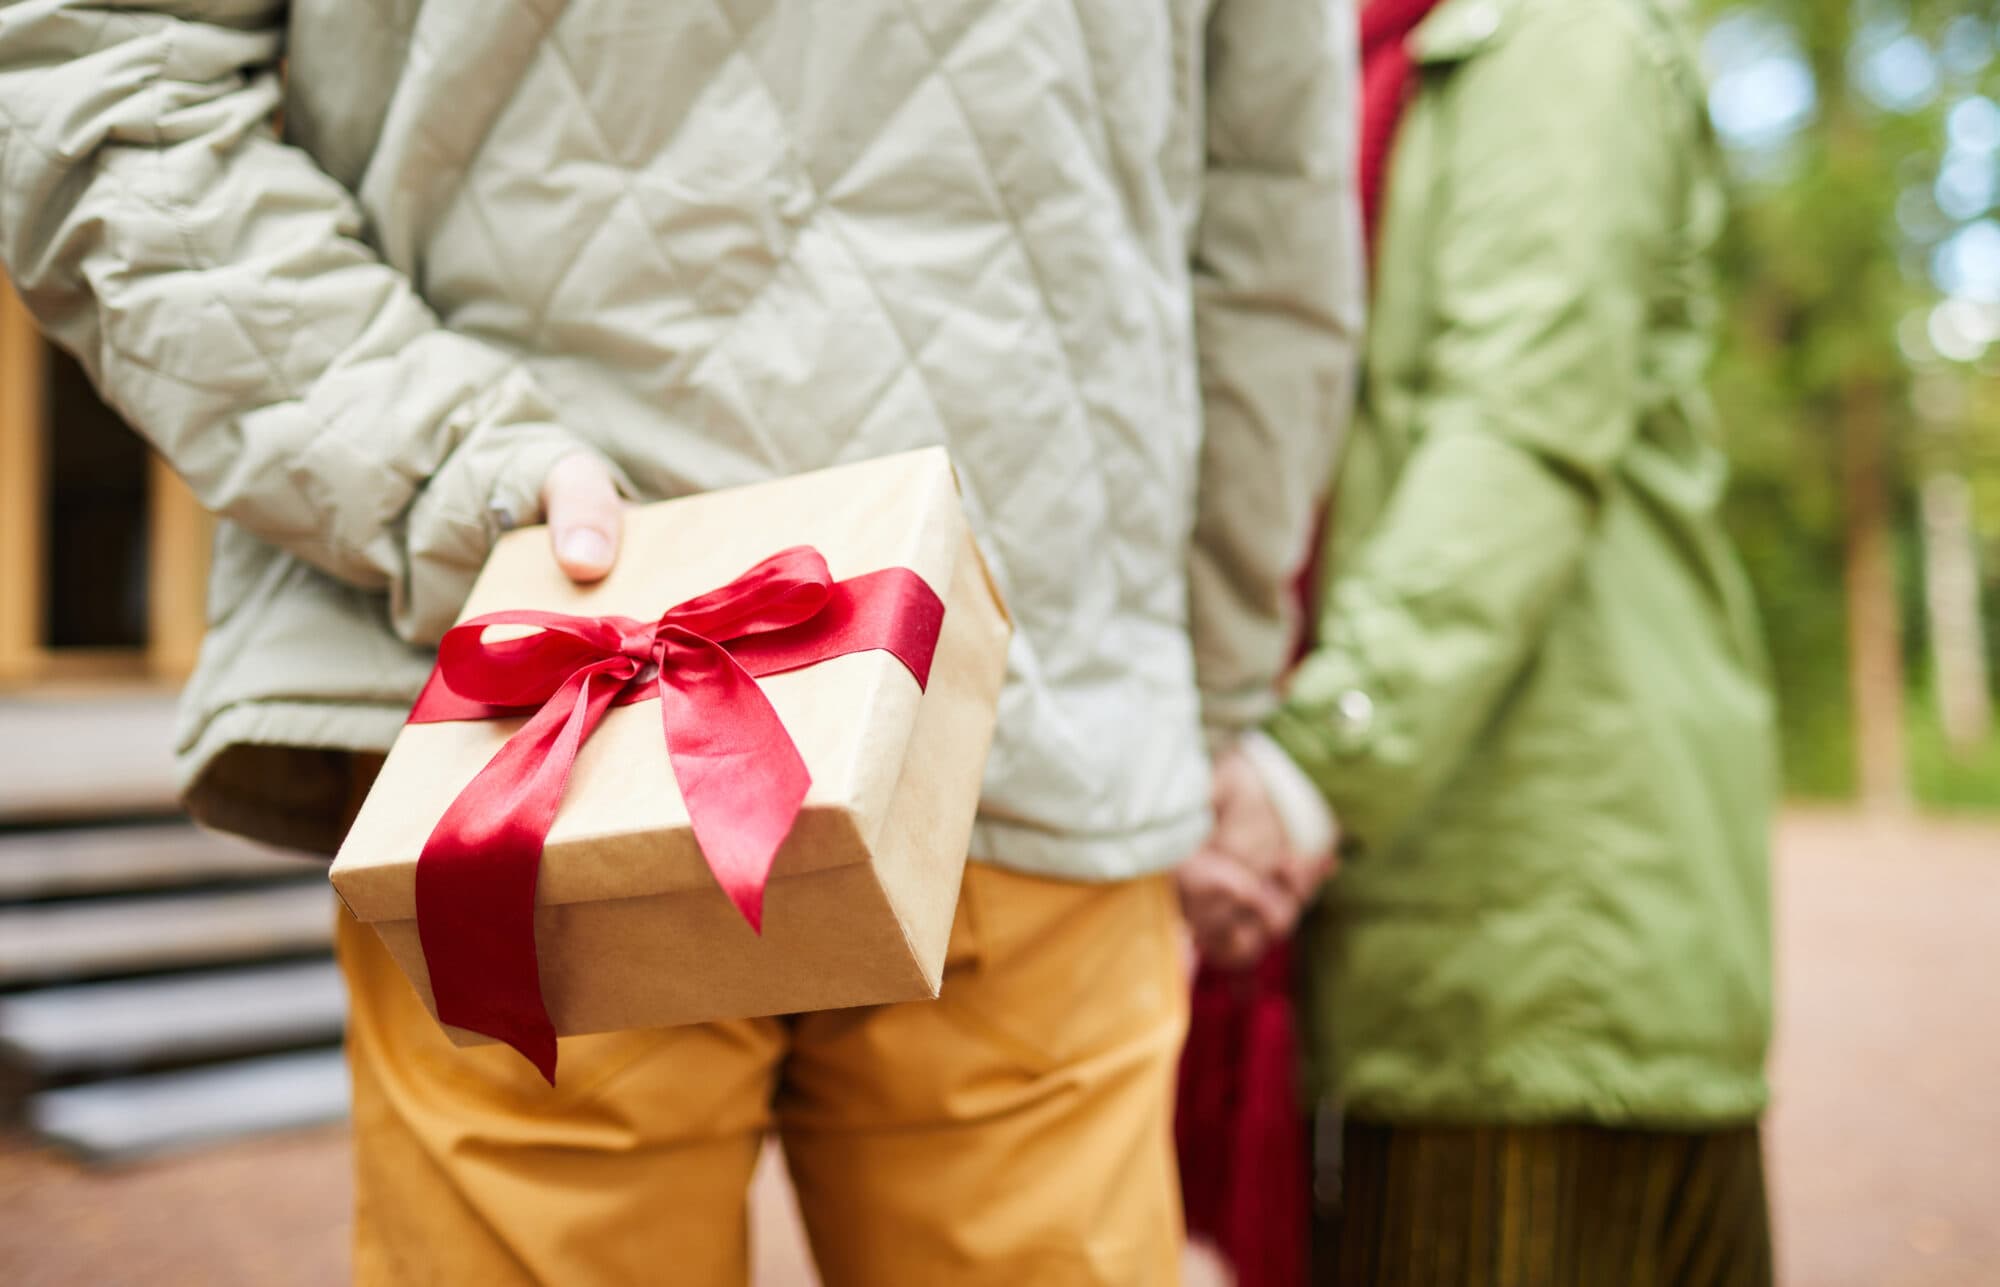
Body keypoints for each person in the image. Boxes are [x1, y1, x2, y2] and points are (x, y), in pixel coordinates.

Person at [0, 1, 1361, 1282]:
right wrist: (1215, 681)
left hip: (546, 710)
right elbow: (1274, 231)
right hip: (979, 681)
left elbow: (102, 77)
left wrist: (436, 462)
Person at [1195, 0, 1780, 1280]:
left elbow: (1521, 422)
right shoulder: (1370, 60)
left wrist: (1307, 770)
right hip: (1460, 907)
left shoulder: (1550, 38)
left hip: (1543, 912)